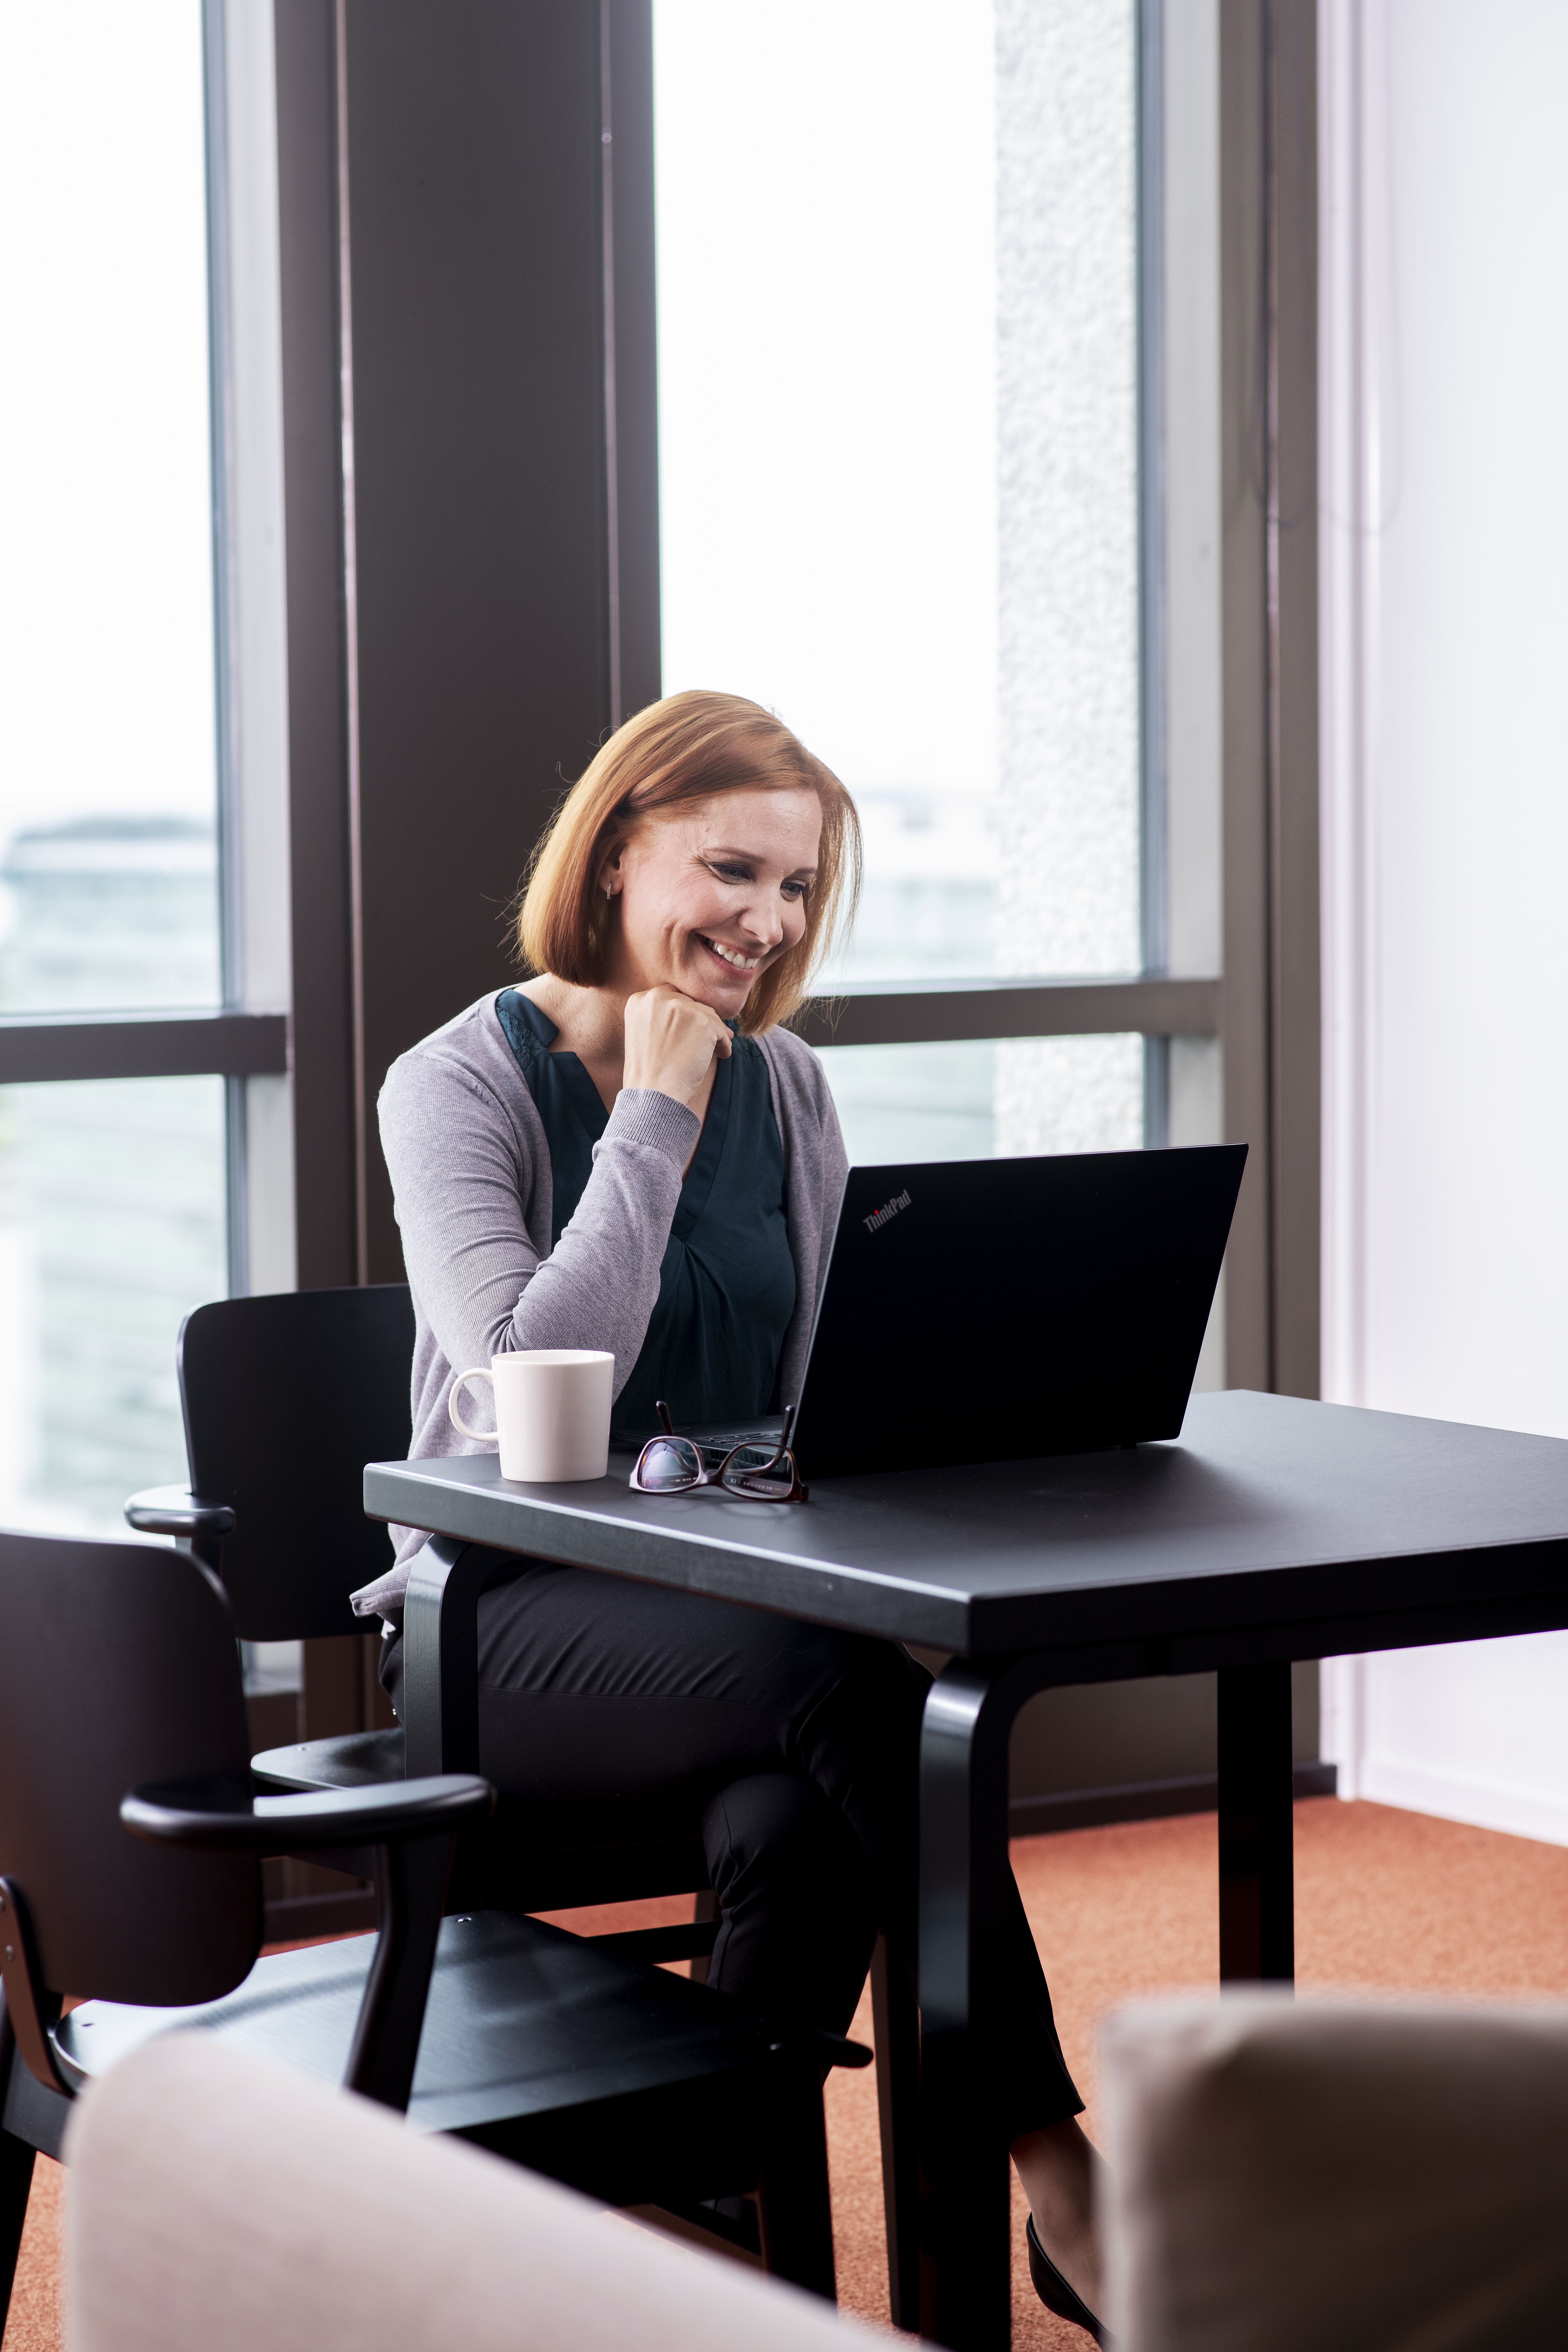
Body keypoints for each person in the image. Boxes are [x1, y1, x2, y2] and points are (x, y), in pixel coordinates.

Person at [351, 689, 1105, 2335]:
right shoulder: (456, 1085)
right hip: (496, 1622)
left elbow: (815, 1394)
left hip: (738, 1618)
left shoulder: (799, 1096)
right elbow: (528, 1391)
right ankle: (1061, 2171)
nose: (764, 924)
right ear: (621, 850)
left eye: (797, 891)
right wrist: (660, 1107)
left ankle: (691, 2222)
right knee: (870, 1706)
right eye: (731, 871)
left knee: (802, 1825)